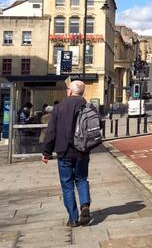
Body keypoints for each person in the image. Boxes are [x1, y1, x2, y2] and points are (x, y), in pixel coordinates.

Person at [42, 80, 92, 228]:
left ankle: (73, 218)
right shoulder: (88, 106)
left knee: (67, 184)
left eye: (67, 88)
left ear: (70, 91)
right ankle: (85, 204)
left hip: (64, 151)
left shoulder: (59, 108)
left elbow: (51, 132)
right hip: (82, 151)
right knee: (82, 179)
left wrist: (46, 152)